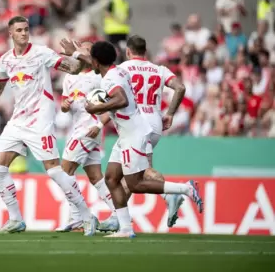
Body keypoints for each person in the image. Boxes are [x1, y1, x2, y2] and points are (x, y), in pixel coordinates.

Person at [0, 16, 98, 235]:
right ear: (10, 33)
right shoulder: (6, 60)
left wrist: (75, 54)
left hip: (40, 121)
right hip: (17, 120)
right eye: (19, 30)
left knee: (54, 171)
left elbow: (74, 69)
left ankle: (87, 216)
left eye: (26, 29)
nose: (24, 33)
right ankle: (15, 219)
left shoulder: (42, 53)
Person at [85, 41, 203, 238]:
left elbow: (121, 99)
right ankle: (125, 228)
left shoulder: (114, 75)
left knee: (135, 183)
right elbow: (179, 87)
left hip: (134, 133)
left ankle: (185, 189)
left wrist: (95, 108)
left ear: (96, 62)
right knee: (112, 178)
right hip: (136, 128)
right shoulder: (121, 71)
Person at [118, 35, 186, 228]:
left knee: (142, 171)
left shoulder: (123, 69)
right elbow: (180, 88)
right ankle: (118, 216)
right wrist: (170, 114)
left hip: (136, 123)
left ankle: (170, 194)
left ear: (128, 52)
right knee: (129, 173)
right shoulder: (159, 69)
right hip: (155, 122)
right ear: (145, 52)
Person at [55, 40, 119, 233]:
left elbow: (114, 104)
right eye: (84, 48)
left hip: (89, 129)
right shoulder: (69, 79)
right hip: (76, 129)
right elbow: (67, 106)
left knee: (64, 172)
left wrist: (100, 125)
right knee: (96, 177)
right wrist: (64, 107)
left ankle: (80, 217)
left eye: (88, 50)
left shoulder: (99, 77)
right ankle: (118, 213)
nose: (85, 51)